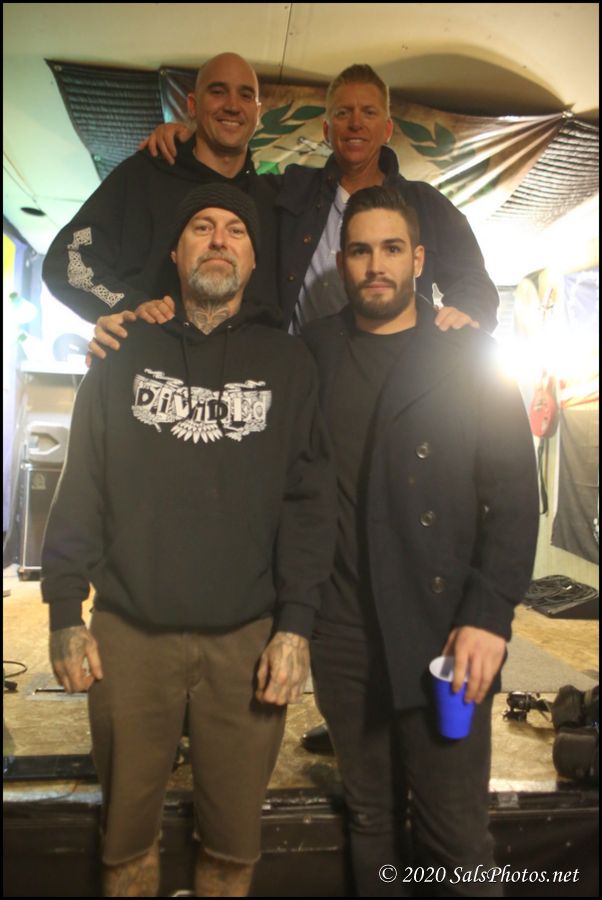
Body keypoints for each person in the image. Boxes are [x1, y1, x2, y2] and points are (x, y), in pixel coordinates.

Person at [41, 183, 336, 898]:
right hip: (129, 635)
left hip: (246, 640)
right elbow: (83, 486)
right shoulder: (120, 352)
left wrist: (296, 627)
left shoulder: (291, 364)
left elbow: (309, 504)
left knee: (233, 848)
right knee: (124, 845)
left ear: (253, 259)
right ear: (176, 252)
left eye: (235, 230)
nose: (218, 239)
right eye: (201, 227)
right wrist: (63, 614)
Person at [300, 184, 539, 896]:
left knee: (454, 837)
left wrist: (490, 617)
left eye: (392, 249)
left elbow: (515, 501)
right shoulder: (311, 354)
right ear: (342, 263)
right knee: (370, 818)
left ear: (419, 259)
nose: (376, 265)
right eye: (360, 250)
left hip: (445, 634)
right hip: (344, 635)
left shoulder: (468, 354)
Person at [139, 63, 498, 339]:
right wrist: (191, 140)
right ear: (327, 131)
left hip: (393, 369)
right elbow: (225, 184)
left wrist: (465, 318)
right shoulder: (292, 188)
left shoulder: (425, 204)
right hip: (301, 366)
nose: (355, 123)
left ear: (387, 129)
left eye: (369, 112)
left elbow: (473, 281)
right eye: (342, 113)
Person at [42, 53, 279, 329]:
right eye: (218, 92)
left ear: (258, 113)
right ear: (192, 105)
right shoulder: (143, 175)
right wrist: (130, 307)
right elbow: (67, 261)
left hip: (246, 355)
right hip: (147, 352)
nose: (233, 105)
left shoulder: (273, 199)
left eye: (246, 95)